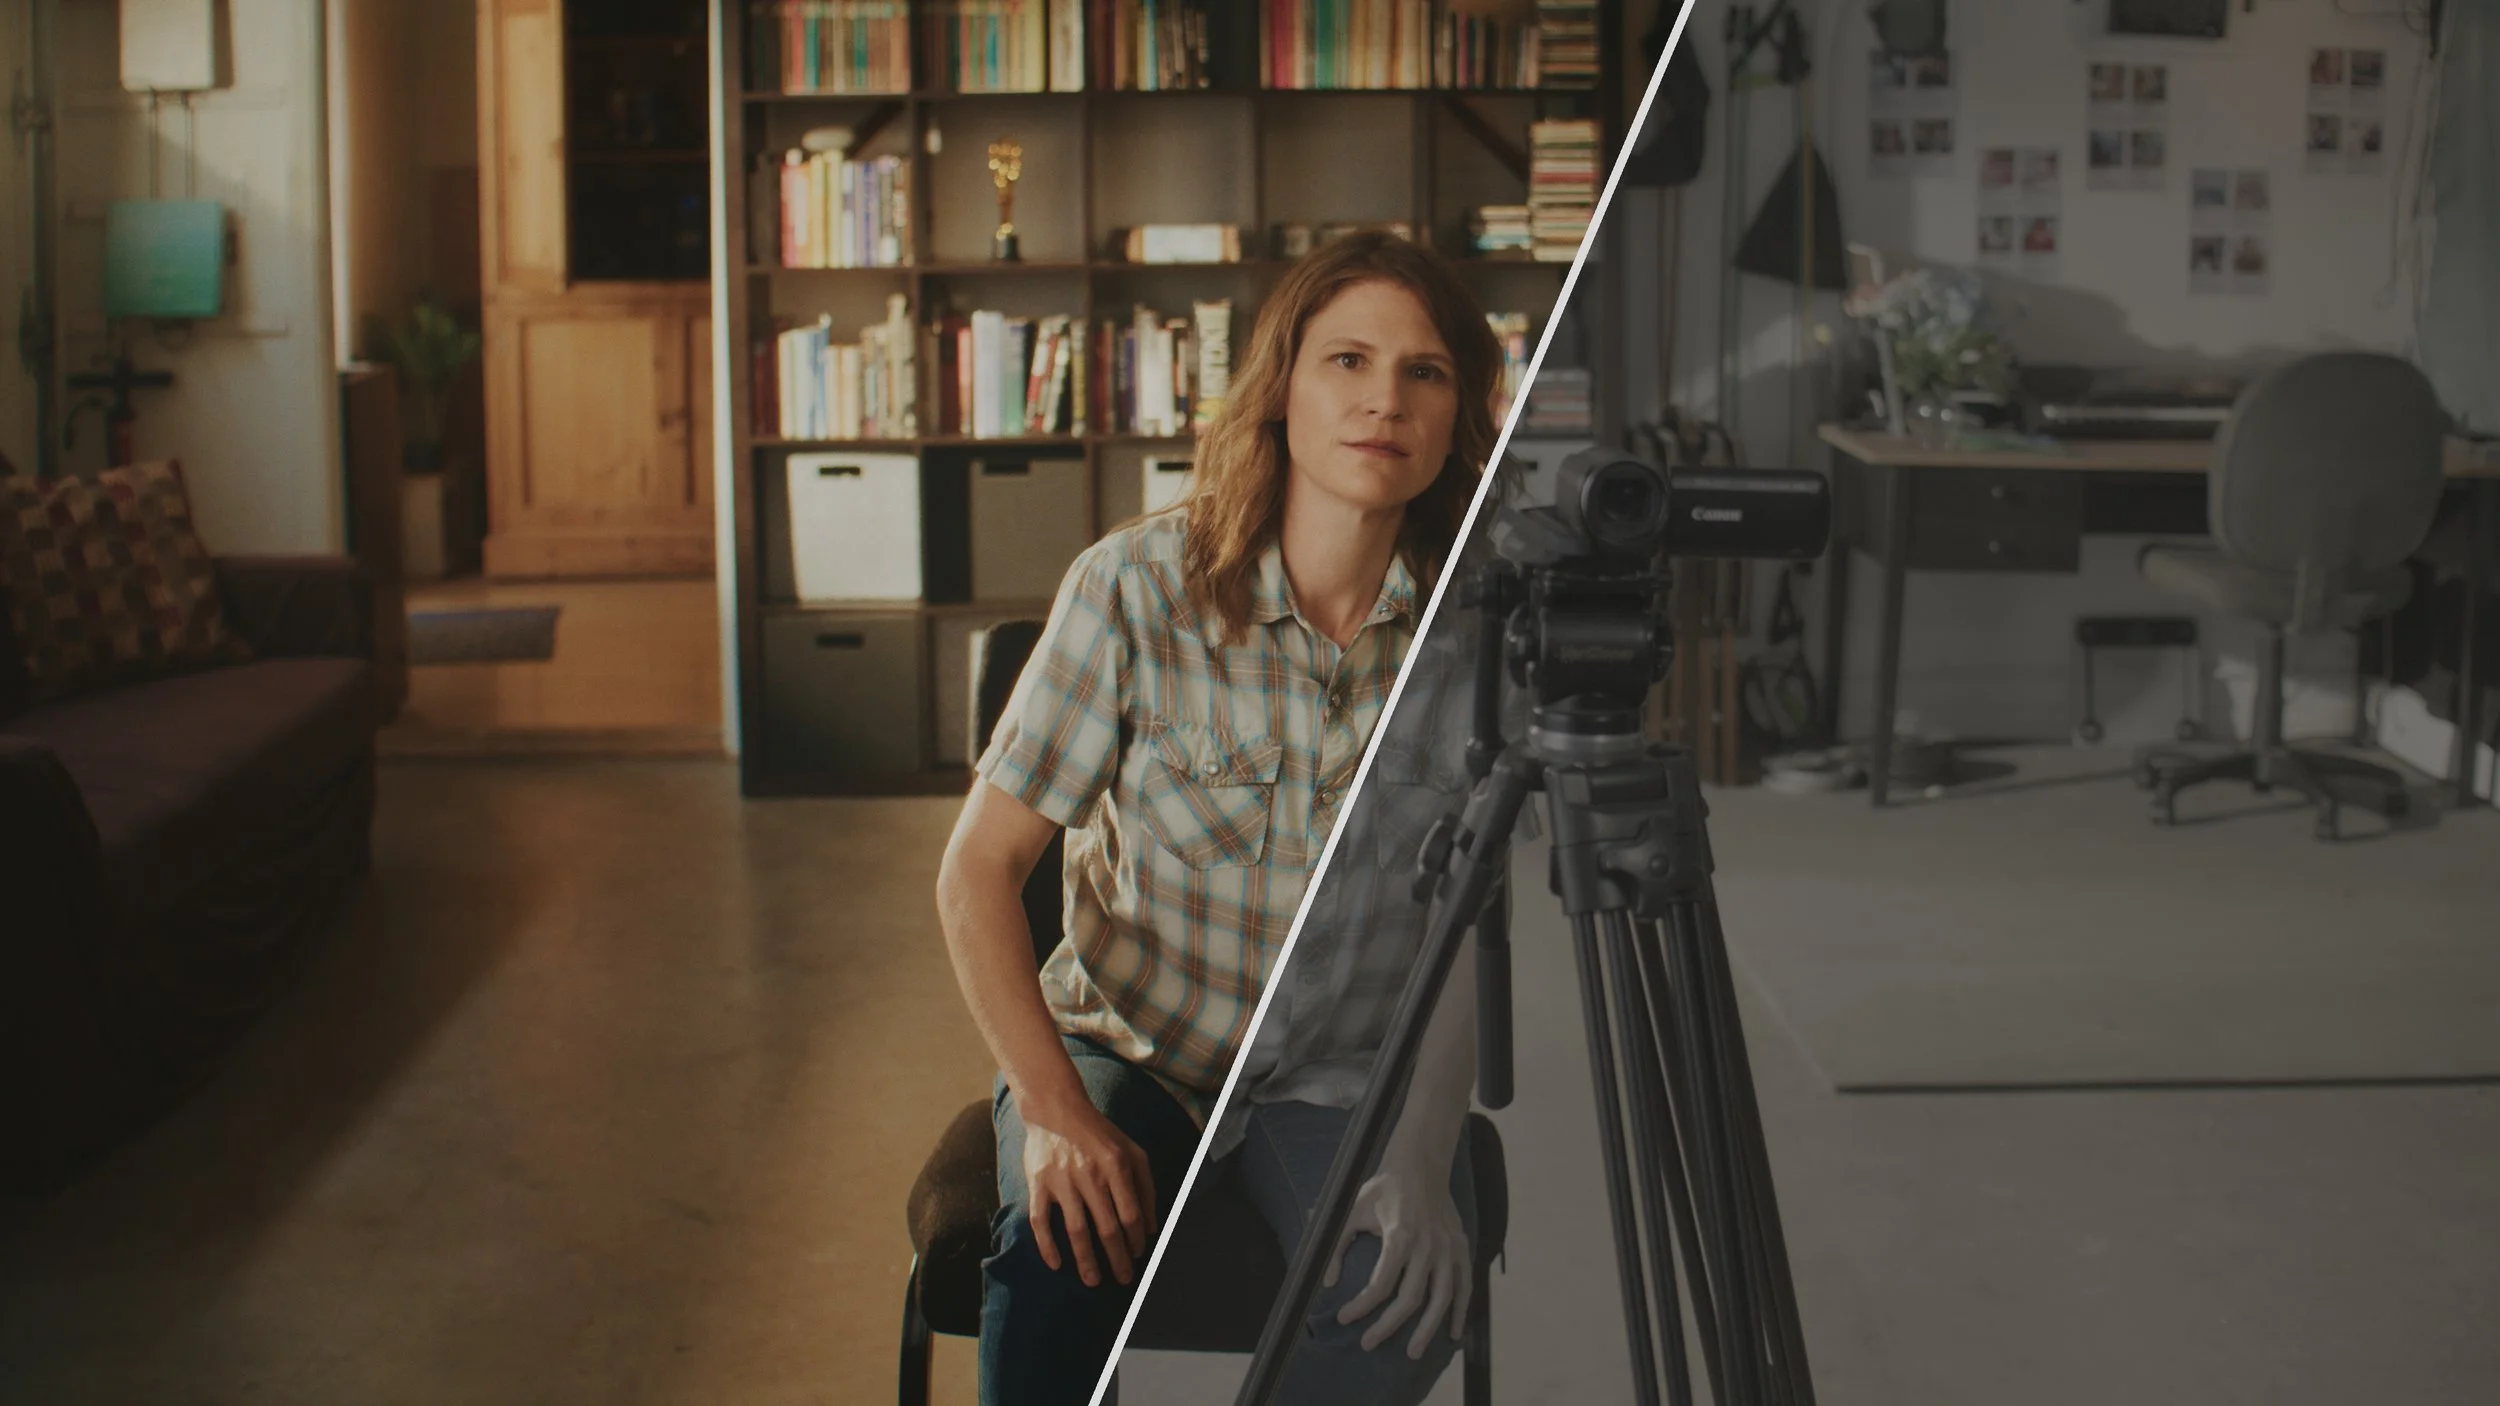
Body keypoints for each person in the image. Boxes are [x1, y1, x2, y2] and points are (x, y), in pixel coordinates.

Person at [933, 230, 1506, 1406]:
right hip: (1127, 1042)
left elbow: (1471, 925)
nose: (1382, 399)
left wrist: (1418, 1150)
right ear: (1280, 389)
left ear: (1460, 416)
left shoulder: (1484, 635)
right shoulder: (1136, 587)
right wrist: (1051, 1109)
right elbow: (977, 870)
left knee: (1400, 1298)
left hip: (1337, 1073)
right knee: (1054, 1258)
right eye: (1346, 360)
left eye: (1425, 372)